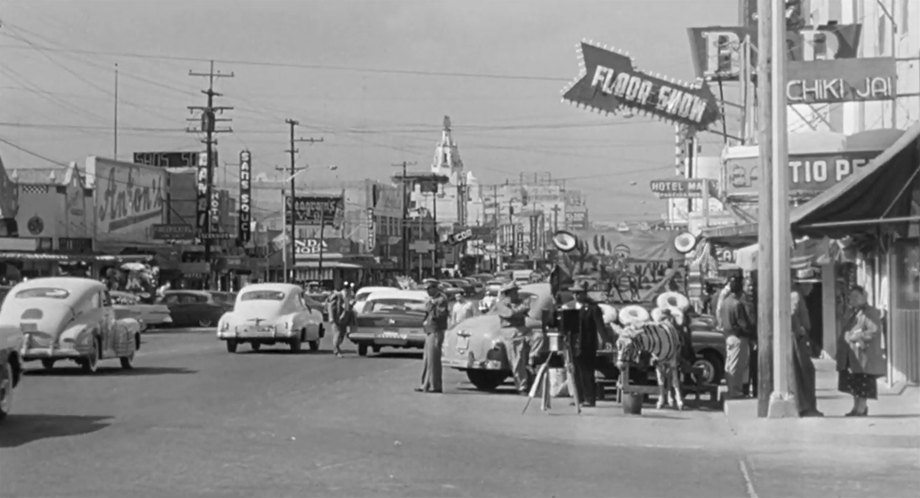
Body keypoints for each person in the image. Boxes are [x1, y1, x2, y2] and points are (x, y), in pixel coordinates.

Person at [837, 286, 885, 417]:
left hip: (864, 355)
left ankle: (861, 409)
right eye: (851, 297)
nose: (853, 300)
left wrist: (857, 336)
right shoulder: (851, 312)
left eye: (856, 296)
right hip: (852, 356)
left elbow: (874, 331)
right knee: (854, 382)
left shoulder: (870, 312)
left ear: (865, 296)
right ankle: (856, 408)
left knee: (862, 383)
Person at [561, 281, 605, 407]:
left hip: (587, 343)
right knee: (575, 371)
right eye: (574, 293)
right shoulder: (570, 307)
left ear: (584, 293)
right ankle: (578, 397)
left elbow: (600, 326)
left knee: (587, 371)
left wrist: (605, 341)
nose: (576, 296)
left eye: (579, 293)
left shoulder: (593, 308)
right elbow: (565, 327)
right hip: (573, 343)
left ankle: (589, 398)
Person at [720, 275, 756, 400]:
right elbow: (743, 323)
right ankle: (735, 391)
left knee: (729, 365)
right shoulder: (737, 304)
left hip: (727, 335)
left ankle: (731, 388)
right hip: (738, 337)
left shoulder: (725, 302)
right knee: (737, 366)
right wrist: (751, 334)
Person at [496, 282, 533, 394]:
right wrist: (520, 310)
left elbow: (527, 309)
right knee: (516, 360)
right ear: (508, 293)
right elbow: (509, 314)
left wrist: (520, 310)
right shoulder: (501, 304)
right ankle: (522, 386)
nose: (516, 293)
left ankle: (531, 378)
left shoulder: (520, 302)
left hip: (523, 330)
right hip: (510, 332)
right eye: (514, 291)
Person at [791, 283, 823, 417]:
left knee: (806, 371)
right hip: (798, 339)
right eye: (810, 284)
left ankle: (807, 405)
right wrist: (800, 331)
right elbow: (792, 315)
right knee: (805, 372)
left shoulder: (798, 296)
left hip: (800, 338)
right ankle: (806, 406)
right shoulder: (795, 296)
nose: (811, 288)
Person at [417, 279, 449, 393]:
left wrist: (431, 306)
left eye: (429, 288)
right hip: (429, 330)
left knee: (433, 359)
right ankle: (425, 384)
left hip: (436, 330)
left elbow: (440, 314)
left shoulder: (441, 299)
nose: (427, 291)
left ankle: (435, 385)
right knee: (427, 359)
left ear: (435, 288)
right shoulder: (432, 299)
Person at [326, 282, 352, 358]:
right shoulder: (339, 295)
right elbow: (332, 306)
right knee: (337, 333)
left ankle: (337, 348)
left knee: (341, 333)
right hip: (337, 318)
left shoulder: (345, 296)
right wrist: (332, 317)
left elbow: (346, 307)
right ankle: (336, 350)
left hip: (342, 318)